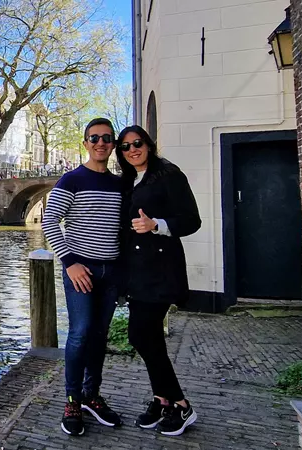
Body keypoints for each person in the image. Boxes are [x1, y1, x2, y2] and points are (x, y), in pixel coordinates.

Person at [116, 125, 201, 436]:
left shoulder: (168, 174)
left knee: (140, 335)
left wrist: (157, 225)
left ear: (149, 145)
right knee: (149, 337)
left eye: (137, 143)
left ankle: (182, 404)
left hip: (161, 270)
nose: (133, 150)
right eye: (125, 146)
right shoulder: (128, 180)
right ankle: (162, 400)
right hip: (136, 272)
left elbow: (192, 220)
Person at [41, 118, 123, 436]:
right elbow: (50, 221)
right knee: (80, 333)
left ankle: (91, 395)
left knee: (100, 335)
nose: (101, 143)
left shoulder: (119, 185)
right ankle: (72, 401)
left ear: (113, 144)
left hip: (111, 272)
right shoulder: (72, 180)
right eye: (94, 138)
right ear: (86, 143)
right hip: (81, 270)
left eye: (106, 138)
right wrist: (70, 262)